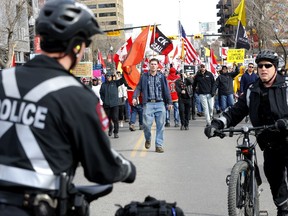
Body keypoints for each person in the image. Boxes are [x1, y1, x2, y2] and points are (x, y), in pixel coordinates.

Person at [0, 1, 136, 216]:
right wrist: (127, 169)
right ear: (77, 46)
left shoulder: (3, 79)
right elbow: (101, 167)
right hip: (37, 207)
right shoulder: (77, 96)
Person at [204, 50, 288, 215]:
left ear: (275, 68)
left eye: (268, 65)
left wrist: (285, 122)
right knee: (274, 178)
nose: (263, 69)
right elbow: (235, 111)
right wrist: (216, 124)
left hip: (286, 137)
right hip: (268, 142)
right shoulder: (252, 90)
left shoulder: (285, 87)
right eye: (260, 66)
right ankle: (283, 209)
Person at [132, 58, 173, 153]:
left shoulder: (161, 77)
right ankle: (148, 138)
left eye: (155, 64)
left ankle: (158, 145)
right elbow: (138, 88)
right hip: (148, 104)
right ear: (149, 65)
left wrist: (170, 102)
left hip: (160, 103)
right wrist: (135, 97)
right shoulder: (144, 77)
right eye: (152, 64)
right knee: (146, 125)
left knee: (160, 126)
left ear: (158, 66)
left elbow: (166, 90)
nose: (153, 65)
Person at [100, 71, 126, 138]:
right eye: (107, 76)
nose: (108, 77)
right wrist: (104, 100)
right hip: (106, 105)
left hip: (115, 105)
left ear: (112, 77)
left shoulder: (115, 83)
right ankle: (110, 129)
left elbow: (122, 80)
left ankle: (116, 132)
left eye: (109, 76)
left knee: (115, 118)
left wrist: (124, 72)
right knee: (108, 119)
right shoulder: (103, 85)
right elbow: (101, 94)